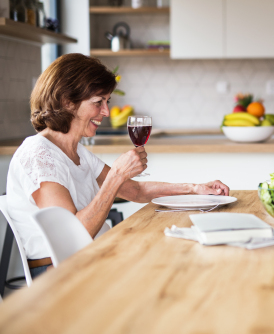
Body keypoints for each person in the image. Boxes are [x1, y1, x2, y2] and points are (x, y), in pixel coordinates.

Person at [6, 53, 230, 278]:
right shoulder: (38, 155)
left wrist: (195, 188)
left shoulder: (76, 151)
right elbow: (71, 239)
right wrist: (116, 176)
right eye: (98, 102)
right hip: (65, 273)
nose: (106, 111)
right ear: (67, 102)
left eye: (107, 101)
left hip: (98, 256)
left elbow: (136, 191)